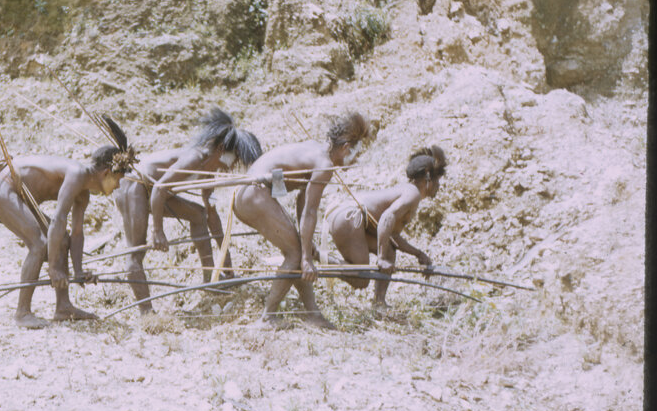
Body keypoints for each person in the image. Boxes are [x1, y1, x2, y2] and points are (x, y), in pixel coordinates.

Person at [0, 116, 136, 329]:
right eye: (118, 180)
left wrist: (79, 272)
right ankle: (22, 313)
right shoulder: (77, 174)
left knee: (61, 240)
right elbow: (59, 219)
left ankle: (63, 307)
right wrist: (54, 268)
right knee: (39, 244)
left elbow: (77, 234)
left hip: (18, 195)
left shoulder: (84, 194)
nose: (117, 186)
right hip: (0, 188)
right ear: (106, 173)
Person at [112, 107, 262, 314]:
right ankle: (147, 313)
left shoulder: (209, 170)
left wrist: (226, 261)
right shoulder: (195, 158)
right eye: (234, 159)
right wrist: (158, 230)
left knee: (198, 215)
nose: (233, 166)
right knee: (136, 252)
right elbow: (159, 189)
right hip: (133, 185)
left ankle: (210, 280)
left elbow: (211, 214)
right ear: (220, 149)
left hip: (155, 193)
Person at [232, 112, 369, 329]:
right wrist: (305, 256)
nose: (355, 160)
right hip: (253, 194)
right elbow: (310, 212)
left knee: (296, 250)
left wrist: (307, 245)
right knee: (296, 254)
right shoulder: (324, 165)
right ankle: (267, 318)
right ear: (345, 147)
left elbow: (303, 202)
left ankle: (312, 314)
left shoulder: (316, 150)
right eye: (355, 154)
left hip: (247, 194)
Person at [326, 145, 447, 309]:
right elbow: (386, 218)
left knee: (389, 250)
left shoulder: (407, 191)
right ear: (428, 177)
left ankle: (379, 303)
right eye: (437, 180)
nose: (439, 186)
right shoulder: (412, 193)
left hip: (345, 216)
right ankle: (317, 254)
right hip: (349, 217)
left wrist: (418, 254)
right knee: (361, 279)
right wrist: (381, 258)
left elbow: (392, 235)